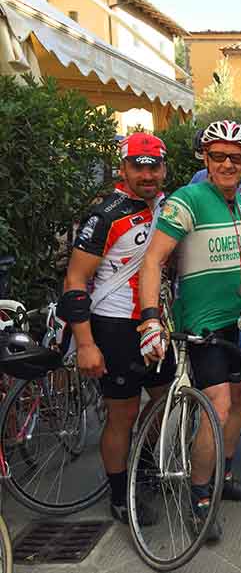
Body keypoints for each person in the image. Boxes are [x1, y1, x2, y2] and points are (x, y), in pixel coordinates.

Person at [138, 120, 241, 544]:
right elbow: (153, 260)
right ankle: (199, 497)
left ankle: (223, 476)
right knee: (219, 407)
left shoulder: (239, 201)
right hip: (204, 327)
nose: (227, 164)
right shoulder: (187, 200)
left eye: (235, 157)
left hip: (238, 321)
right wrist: (151, 317)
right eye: (218, 156)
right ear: (205, 160)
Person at [58, 133, 174, 525]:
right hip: (115, 325)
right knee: (122, 414)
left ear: (163, 169)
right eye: (138, 166)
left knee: (164, 401)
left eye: (153, 166)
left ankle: (142, 466)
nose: (147, 174)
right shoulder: (105, 215)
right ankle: (120, 493)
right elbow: (74, 281)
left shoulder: (166, 205)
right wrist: (86, 343)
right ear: (123, 168)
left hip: (154, 322)